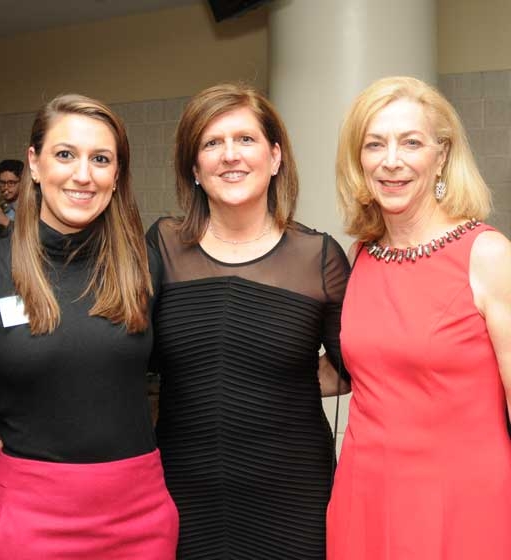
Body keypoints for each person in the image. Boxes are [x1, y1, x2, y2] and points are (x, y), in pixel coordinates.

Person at [0, 94, 178, 558]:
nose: (83, 174)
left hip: (140, 512)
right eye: (65, 154)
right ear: (34, 163)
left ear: (117, 175)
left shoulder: (145, 265)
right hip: (32, 513)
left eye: (101, 159)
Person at [146, 82, 350, 559]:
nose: (229, 155)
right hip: (183, 487)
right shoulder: (162, 245)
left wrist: (283, 378)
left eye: (245, 139)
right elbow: (125, 348)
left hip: (293, 494)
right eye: (211, 143)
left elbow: (358, 362)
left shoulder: (318, 257)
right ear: (194, 168)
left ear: (275, 157)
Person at [327, 76, 511, 559]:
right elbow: (366, 371)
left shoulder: (488, 255)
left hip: (463, 503)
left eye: (411, 142)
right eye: (375, 144)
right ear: (359, 160)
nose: (392, 161)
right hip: (363, 495)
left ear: (441, 155)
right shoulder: (361, 255)